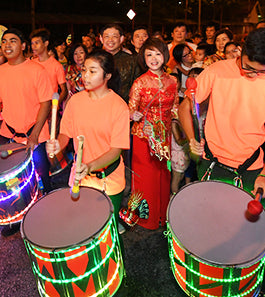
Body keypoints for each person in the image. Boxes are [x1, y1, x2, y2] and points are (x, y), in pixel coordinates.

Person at [46, 49, 130, 227]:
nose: (85, 76)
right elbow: (65, 134)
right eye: (84, 70)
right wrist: (56, 146)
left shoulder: (119, 107)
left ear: (107, 75)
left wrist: (90, 165)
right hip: (82, 178)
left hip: (109, 179)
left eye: (92, 71)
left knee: (108, 231)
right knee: (85, 228)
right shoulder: (75, 101)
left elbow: (116, 150)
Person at [178, 28, 265, 195]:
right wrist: (191, 140)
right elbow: (184, 108)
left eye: (260, 71)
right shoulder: (217, 70)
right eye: (247, 68)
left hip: (252, 168)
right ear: (240, 51)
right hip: (211, 162)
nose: (253, 74)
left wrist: (263, 174)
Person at [0, 28, 53, 236]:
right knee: (12, 180)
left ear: (23, 46)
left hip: (35, 133)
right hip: (9, 134)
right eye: (4, 42)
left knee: (41, 177)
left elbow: (46, 103)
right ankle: (16, 215)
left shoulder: (37, 70)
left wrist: (34, 135)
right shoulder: (1, 71)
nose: (7, 45)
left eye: (13, 41)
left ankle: (45, 215)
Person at [129, 38, 179, 230]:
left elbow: (175, 108)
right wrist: (133, 114)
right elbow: (130, 109)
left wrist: (177, 123)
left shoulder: (172, 80)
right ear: (143, 57)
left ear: (165, 56)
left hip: (164, 136)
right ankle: (145, 218)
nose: (153, 58)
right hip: (143, 137)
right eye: (149, 54)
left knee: (163, 176)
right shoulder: (140, 82)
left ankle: (162, 215)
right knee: (145, 178)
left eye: (157, 54)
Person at [99, 23, 141, 103]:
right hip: (100, 105)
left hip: (123, 105)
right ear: (101, 39)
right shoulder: (95, 60)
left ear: (121, 39)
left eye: (114, 36)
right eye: (107, 36)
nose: (110, 40)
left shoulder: (132, 60)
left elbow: (137, 89)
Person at [30, 28, 68, 106]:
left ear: (46, 43)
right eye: (32, 43)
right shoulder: (31, 64)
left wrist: (54, 106)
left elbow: (64, 91)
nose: (33, 46)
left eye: (37, 43)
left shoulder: (56, 65)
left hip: (48, 107)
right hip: (32, 106)